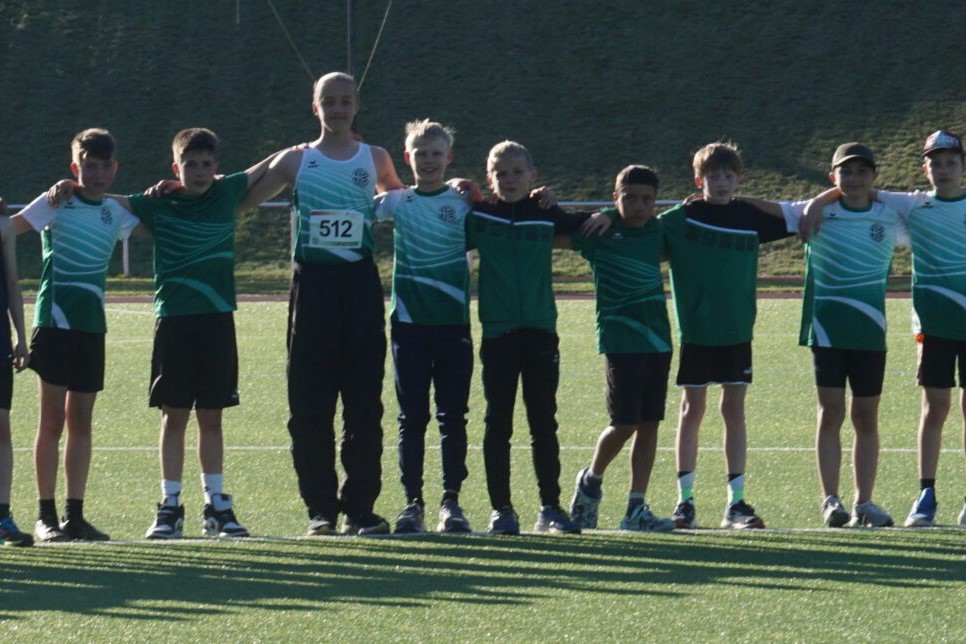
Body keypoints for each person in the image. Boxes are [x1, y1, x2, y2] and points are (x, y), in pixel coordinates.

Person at [52, 127, 275, 539]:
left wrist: (294, 150)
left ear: (217, 167)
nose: (199, 171)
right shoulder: (157, 203)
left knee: (212, 418)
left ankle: (217, 505)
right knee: (174, 416)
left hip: (217, 319)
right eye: (191, 165)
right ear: (176, 168)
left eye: (207, 165)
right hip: (174, 320)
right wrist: (71, 186)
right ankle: (170, 506)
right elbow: (105, 199)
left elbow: (273, 164)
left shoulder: (225, 192)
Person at [240, 72, 406, 536]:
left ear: (357, 106)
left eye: (345, 101)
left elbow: (402, 197)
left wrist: (457, 189)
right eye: (328, 102)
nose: (338, 109)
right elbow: (241, 200)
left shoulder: (375, 157)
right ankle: (320, 509)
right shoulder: (296, 160)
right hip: (312, 288)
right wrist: (193, 186)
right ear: (315, 108)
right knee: (310, 403)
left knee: (363, 403)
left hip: (360, 286)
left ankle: (360, 508)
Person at [803, 131, 966, 527]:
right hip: (935, 325)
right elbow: (855, 189)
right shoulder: (911, 205)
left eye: (951, 163)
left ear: (963, 167)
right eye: (936, 163)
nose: (943, 170)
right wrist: (817, 203)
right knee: (935, 408)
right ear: (925, 169)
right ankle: (926, 495)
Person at [659, 141, 797, 530]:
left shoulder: (749, 216)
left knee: (734, 410)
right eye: (713, 176)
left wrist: (746, 200)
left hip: (737, 331)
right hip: (697, 332)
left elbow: (799, 214)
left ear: (738, 179)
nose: (721, 182)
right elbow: (632, 224)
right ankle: (684, 501)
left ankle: (736, 504)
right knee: (692, 410)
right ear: (698, 179)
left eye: (728, 175)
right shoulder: (681, 218)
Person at [11, 129, 138, 542]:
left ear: (115, 168)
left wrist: (169, 189)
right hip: (55, 324)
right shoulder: (56, 201)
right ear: (75, 167)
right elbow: (11, 228)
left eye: (104, 166)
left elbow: (160, 218)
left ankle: (74, 516)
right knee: (51, 422)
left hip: (91, 328)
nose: (97, 174)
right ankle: (45, 516)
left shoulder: (116, 211)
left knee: (81, 422)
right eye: (88, 166)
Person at [468, 140, 590, 536]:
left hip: (540, 333)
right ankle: (501, 509)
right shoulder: (479, 216)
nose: (510, 179)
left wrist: (605, 216)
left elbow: (587, 223)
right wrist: (455, 186)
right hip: (498, 334)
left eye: (517, 172)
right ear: (489, 179)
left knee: (543, 421)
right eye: (500, 173)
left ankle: (550, 507)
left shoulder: (545, 212)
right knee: (497, 422)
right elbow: (439, 214)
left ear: (532, 175)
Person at [784, 142, 903, 528]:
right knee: (830, 412)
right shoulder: (817, 213)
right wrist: (820, 201)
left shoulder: (890, 216)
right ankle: (831, 500)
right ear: (832, 176)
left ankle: (864, 503)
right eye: (845, 172)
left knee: (866, 416)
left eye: (861, 171)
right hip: (827, 331)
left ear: (874, 176)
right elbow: (763, 210)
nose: (853, 178)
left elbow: (930, 211)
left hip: (870, 332)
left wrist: (823, 197)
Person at [372, 120, 473, 534]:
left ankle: (451, 501)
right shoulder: (398, 202)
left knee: (453, 416)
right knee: (411, 417)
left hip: (452, 325)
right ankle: (412, 503)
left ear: (448, 158)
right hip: (409, 326)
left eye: (436, 154)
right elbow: (354, 207)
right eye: (421, 154)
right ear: (407, 158)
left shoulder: (464, 204)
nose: (429, 161)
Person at [567, 165, 675, 532]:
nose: (639, 206)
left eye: (647, 200)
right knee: (624, 423)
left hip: (658, 341)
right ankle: (591, 480)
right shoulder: (600, 233)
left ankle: (636, 508)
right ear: (615, 198)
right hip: (621, 341)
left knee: (649, 424)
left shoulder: (658, 231)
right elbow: (556, 226)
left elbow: (692, 217)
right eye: (629, 198)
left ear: (656, 203)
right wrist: (607, 215)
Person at [0, 197, 31, 547]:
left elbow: (11, 283)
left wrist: (21, 338)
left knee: (1, 429)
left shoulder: (3, 224)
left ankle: (2, 516)